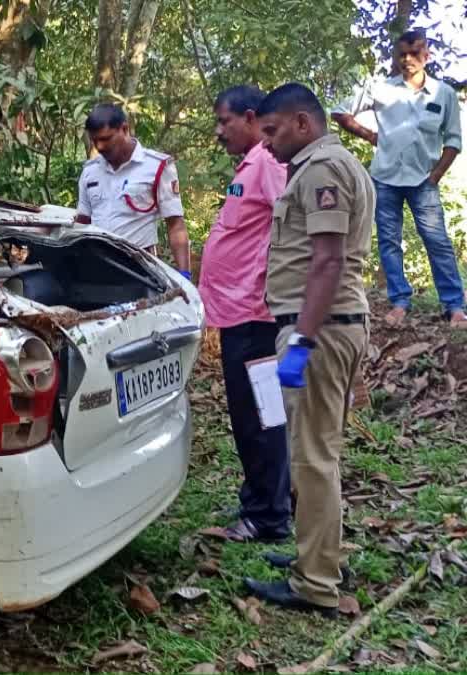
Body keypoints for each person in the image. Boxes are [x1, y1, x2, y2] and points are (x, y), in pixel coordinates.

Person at [244, 83, 373, 616]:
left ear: (303, 123)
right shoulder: (339, 164)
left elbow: (327, 261)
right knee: (322, 452)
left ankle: (316, 583)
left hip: (318, 327)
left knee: (311, 458)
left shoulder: (321, 170)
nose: (267, 143)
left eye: (272, 131)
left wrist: (301, 340)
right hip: (332, 325)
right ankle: (322, 553)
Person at [200, 85, 292, 543]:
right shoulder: (252, 165)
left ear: (251, 117)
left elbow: (291, 223)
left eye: (224, 121)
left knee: (258, 417)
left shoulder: (270, 164)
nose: (219, 131)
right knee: (261, 414)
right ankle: (271, 499)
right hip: (239, 314)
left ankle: (267, 515)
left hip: (254, 315)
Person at [332, 30, 465, 329]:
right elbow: (339, 111)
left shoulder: (442, 93)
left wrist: (436, 175)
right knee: (389, 242)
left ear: (427, 55)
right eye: (402, 53)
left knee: (437, 241)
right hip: (385, 177)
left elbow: (454, 141)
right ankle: (400, 302)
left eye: (415, 52)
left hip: (423, 181)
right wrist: (370, 136)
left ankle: (455, 305)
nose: (408, 59)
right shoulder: (382, 88)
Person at [75, 103, 191, 276]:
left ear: (125, 129)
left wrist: (184, 275)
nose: (100, 146)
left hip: (141, 269)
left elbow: (175, 225)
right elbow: (82, 223)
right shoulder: (90, 171)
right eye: (95, 140)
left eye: (106, 139)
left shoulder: (157, 166)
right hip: (97, 265)